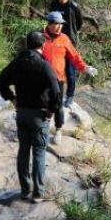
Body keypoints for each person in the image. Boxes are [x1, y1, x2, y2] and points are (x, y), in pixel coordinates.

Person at [0, 31, 60, 203]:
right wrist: (52, 110)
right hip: (39, 114)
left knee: (23, 150)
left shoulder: (17, 62)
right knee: (39, 152)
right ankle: (38, 193)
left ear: (27, 44)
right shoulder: (44, 65)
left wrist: (12, 98)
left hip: (22, 112)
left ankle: (25, 190)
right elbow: (56, 90)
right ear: (43, 45)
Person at [42, 12, 97, 144]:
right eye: (56, 24)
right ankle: (41, 128)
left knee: (58, 106)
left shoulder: (64, 39)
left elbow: (74, 56)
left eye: (61, 24)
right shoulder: (40, 38)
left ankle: (58, 130)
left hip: (58, 79)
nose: (59, 27)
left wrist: (85, 68)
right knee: (41, 104)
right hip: (41, 79)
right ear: (49, 24)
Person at [49, 0, 83, 107]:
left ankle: (69, 96)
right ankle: (56, 95)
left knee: (69, 71)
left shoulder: (73, 6)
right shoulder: (54, 4)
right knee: (54, 70)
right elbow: (51, 20)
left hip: (70, 43)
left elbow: (79, 23)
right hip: (55, 42)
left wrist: (71, 34)